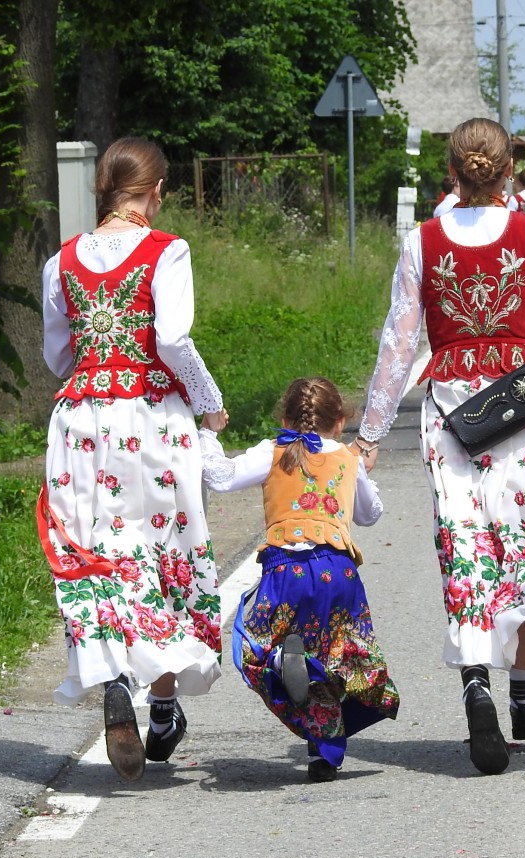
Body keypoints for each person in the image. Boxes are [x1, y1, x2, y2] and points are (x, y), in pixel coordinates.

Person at [354, 117, 525, 777]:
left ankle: (476, 682)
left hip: (452, 412)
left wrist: (369, 433)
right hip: (524, 404)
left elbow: (398, 344)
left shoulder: (423, 242)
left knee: (468, 546)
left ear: (451, 175)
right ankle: (524, 695)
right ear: (508, 173)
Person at [39, 136, 227, 782]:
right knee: (159, 552)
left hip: (81, 419)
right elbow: (171, 337)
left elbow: (57, 354)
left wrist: (94, 372)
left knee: (94, 553)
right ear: (155, 192)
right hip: (148, 416)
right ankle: (164, 702)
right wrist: (209, 400)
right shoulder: (165, 251)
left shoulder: (61, 261)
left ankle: (115, 677)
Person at [200, 377, 399, 782]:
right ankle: (322, 755)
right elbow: (370, 513)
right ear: (340, 422)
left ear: (286, 418)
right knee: (338, 655)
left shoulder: (273, 451)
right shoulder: (347, 457)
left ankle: (279, 659)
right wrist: (362, 472)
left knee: (254, 648)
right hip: (337, 570)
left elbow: (219, 477)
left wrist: (209, 433)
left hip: (285, 568)